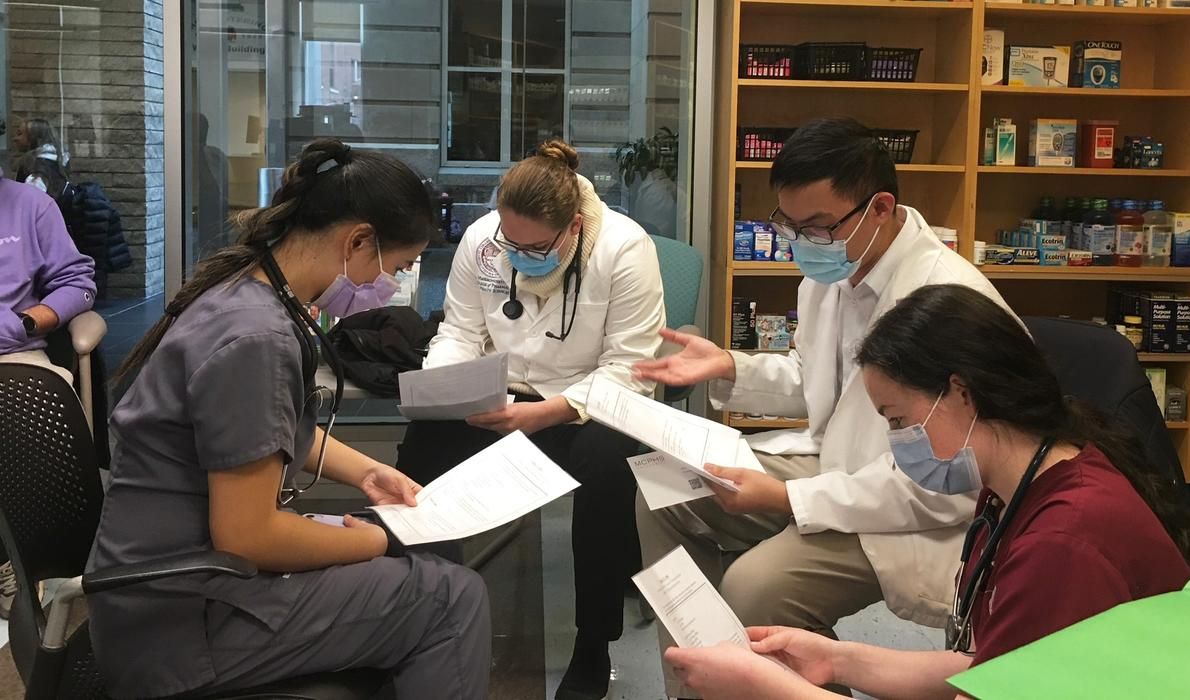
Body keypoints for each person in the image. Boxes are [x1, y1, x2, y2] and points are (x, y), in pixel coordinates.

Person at [86, 140, 491, 699]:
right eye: (395, 268)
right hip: (182, 621)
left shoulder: (242, 292)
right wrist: (380, 540)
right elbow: (250, 536)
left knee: (432, 556)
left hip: (172, 586)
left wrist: (366, 474)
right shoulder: (257, 337)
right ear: (357, 242)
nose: (389, 286)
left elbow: (261, 432)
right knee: (450, 598)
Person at [660, 283, 1190, 700]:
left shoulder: (1063, 542)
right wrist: (834, 661)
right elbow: (991, 666)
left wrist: (768, 690)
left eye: (899, 420)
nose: (897, 442)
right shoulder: (1019, 480)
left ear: (961, 393)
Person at [632, 117, 1012, 698]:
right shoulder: (833, 272)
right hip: (841, 467)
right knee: (666, 490)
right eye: (789, 223)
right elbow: (821, 384)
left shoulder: (944, 300)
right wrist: (730, 365)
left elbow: (946, 480)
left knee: (757, 588)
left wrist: (787, 497)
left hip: (920, 508)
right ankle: (700, 687)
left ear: (880, 208)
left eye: (816, 226)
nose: (802, 242)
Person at [396, 139, 666, 700]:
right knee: (422, 445)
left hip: (585, 406)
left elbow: (631, 368)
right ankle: (415, 599)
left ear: (572, 227)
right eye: (508, 240)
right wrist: (447, 389)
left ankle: (594, 643)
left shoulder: (623, 248)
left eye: (535, 245)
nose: (516, 252)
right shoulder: (483, 239)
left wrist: (545, 414)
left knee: (608, 465)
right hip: (500, 398)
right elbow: (461, 331)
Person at [0, 166, 96, 619]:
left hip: (12, 353)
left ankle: (18, 556)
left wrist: (28, 321)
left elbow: (77, 283)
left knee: (26, 405)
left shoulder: (30, 206)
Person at [12, 117, 70, 197]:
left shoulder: (39, 169)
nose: (15, 139)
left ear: (34, 139)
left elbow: (32, 202)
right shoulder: (55, 161)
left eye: (20, 134)